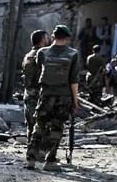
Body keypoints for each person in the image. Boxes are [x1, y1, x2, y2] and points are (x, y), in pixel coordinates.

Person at [26, 26, 81, 170]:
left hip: (45, 95)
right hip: (64, 96)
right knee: (57, 127)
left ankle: (31, 159)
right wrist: (75, 102)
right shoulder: (73, 54)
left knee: (39, 125)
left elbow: (38, 73)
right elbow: (73, 81)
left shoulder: (42, 52)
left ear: (53, 36)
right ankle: (50, 161)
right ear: (67, 38)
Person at [20, 29, 48, 153]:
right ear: (42, 40)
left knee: (30, 125)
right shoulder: (41, 55)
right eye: (46, 38)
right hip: (38, 94)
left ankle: (30, 150)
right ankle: (40, 152)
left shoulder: (28, 55)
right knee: (41, 124)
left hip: (28, 93)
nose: (48, 40)